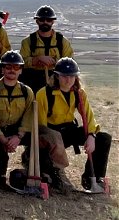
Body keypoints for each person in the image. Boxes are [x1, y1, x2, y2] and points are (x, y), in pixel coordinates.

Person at [0, 51, 71, 192]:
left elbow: (29, 117)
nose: (12, 70)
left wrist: (19, 136)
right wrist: (3, 139)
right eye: (8, 67)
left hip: (18, 131)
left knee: (52, 136)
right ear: (2, 69)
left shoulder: (26, 91)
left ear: (21, 70)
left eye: (16, 67)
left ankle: (56, 172)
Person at [36, 57, 112, 191]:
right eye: (64, 76)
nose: (68, 80)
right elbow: (40, 127)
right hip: (50, 133)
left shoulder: (79, 93)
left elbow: (88, 116)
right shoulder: (44, 94)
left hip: (69, 129)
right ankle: (48, 170)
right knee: (51, 175)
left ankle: (92, 179)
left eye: (72, 76)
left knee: (104, 138)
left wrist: (91, 136)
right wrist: (47, 141)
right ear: (57, 76)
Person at [19, 5, 74, 93]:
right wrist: (37, 59)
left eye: (48, 20)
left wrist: (54, 61)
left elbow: (70, 63)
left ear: (53, 22)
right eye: (42, 20)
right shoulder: (28, 41)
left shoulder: (62, 41)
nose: (45, 22)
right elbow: (21, 63)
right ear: (37, 21)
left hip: (57, 82)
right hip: (33, 83)